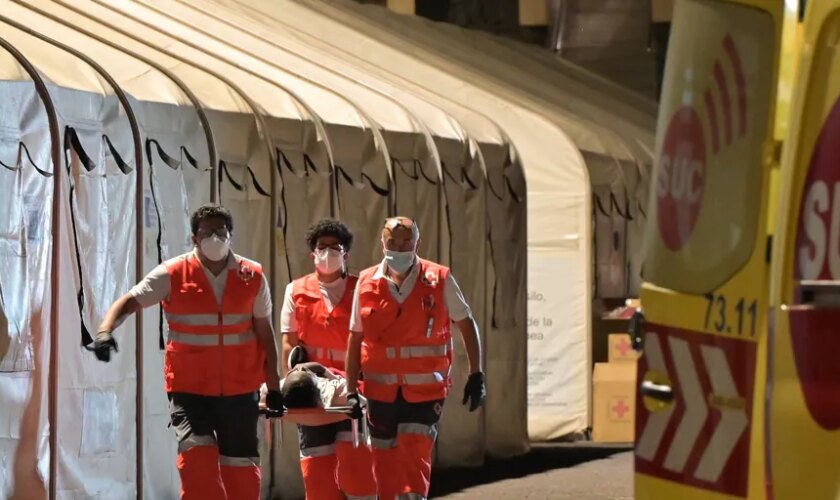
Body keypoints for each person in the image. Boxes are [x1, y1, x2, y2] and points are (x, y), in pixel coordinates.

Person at [92, 204, 283, 500]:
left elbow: (265, 335)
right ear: (194, 237)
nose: (216, 237)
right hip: (190, 392)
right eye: (208, 232)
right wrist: (105, 331)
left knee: (242, 477)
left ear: (231, 234)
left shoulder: (252, 276)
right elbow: (130, 301)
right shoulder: (172, 273)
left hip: (240, 392)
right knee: (197, 466)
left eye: (221, 231)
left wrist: (274, 386)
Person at [345, 216, 486, 500]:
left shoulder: (439, 279)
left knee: (414, 459)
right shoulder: (366, 282)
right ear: (382, 243)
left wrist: (476, 373)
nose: (399, 247)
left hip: (425, 391)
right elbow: (355, 337)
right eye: (392, 241)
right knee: (384, 465)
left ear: (417, 243)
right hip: (379, 392)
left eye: (406, 241)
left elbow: (466, 323)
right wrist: (350, 390)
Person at [279, 218, 376, 500]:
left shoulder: (364, 289)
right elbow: (289, 341)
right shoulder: (295, 290)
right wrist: (293, 378)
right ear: (313, 252)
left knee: (357, 471)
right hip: (314, 390)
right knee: (317, 471)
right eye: (323, 247)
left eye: (336, 247)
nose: (329, 252)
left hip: (353, 391)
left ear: (346, 253)